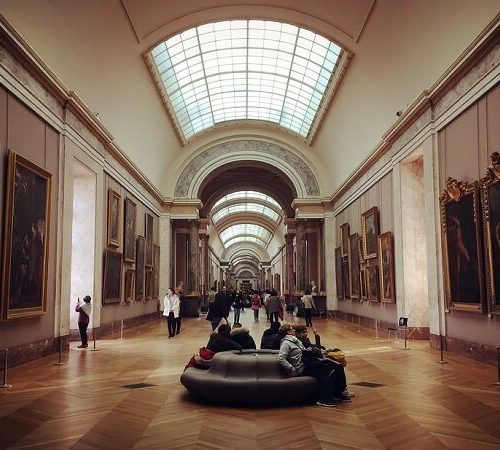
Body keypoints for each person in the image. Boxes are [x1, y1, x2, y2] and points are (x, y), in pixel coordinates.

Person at [277, 323, 350, 407]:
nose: (294, 329)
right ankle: (323, 399)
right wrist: (291, 368)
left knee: (330, 369)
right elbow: (281, 358)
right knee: (324, 373)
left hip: (305, 365)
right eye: (292, 329)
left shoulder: (295, 341)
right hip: (299, 369)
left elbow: (304, 351)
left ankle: (335, 394)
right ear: (289, 332)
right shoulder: (286, 343)